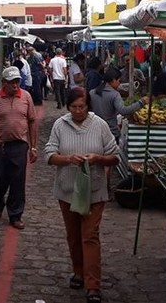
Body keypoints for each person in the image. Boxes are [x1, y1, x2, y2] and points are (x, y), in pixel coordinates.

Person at [44, 87, 120, 303]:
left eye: (82, 107)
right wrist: (68, 159)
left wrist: (98, 158)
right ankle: (78, 271)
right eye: (74, 107)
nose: (78, 111)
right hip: (67, 191)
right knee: (73, 235)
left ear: (88, 106)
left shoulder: (100, 125)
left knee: (90, 235)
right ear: (68, 107)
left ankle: (93, 284)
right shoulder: (60, 125)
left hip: (94, 192)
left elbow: (114, 156)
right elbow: (49, 154)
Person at [0, 67, 38, 230]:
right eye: (11, 82)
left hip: (19, 144)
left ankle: (15, 214)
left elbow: (32, 121)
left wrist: (33, 147)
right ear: (3, 82)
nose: (15, 85)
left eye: (17, 82)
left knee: (18, 182)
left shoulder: (26, 96)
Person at [90, 68, 148, 142]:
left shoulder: (92, 92)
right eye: (119, 81)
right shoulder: (114, 94)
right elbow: (123, 111)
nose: (119, 84)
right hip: (110, 133)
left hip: (95, 132)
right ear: (113, 80)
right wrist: (141, 102)